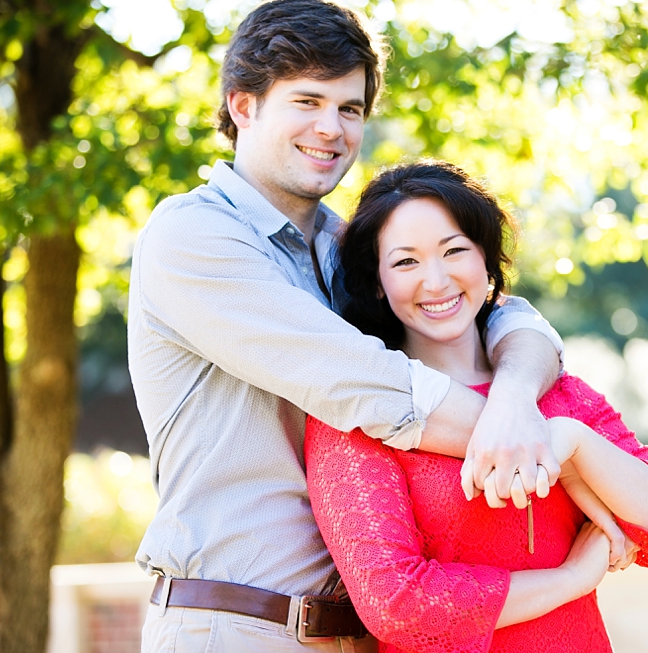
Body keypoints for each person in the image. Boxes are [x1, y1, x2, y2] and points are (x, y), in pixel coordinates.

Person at [129, 2, 567, 651]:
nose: (330, 128)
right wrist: (565, 447)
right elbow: (364, 384)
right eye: (306, 101)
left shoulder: (350, 249)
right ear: (243, 105)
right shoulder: (191, 236)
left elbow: (505, 316)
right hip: (237, 626)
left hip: (369, 631)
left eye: (350, 108)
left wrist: (512, 401)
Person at [304, 161, 648, 653]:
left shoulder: (560, 395)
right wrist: (570, 581)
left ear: (486, 259)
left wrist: (573, 444)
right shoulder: (361, 415)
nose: (435, 281)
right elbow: (397, 605)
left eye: (455, 251)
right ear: (376, 282)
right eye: (406, 262)